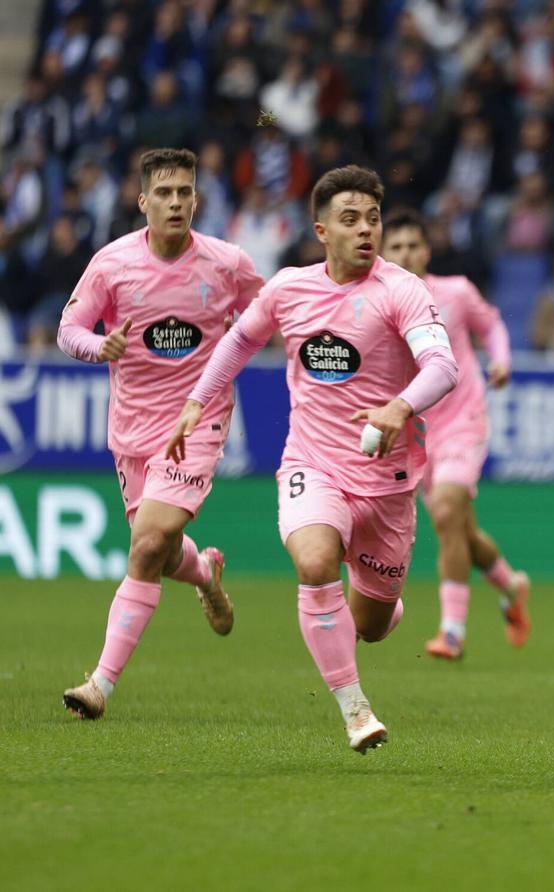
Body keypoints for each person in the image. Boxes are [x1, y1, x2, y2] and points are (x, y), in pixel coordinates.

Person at [166, 166, 458, 751]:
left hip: (388, 483)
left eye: (373, 218)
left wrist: (399, 408)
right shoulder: (288, 288)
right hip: (314, 463)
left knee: (371, 627)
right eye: (350, 220)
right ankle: (356, 712)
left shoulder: (402, 289)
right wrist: (198, 401)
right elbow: (239, 341)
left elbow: (442, 367)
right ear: (321, 229)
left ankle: (382, 606)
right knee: (315, 560)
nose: (366, 230)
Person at [58, 148, 264, 721]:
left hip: (196, 422)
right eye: (165, 193)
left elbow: (273, 312)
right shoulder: (111, 264)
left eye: (186, 192)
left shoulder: (228, 264)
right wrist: (101, 347)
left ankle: (98, 684)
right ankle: (205, 575)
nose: (176, 202)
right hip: (132, 430)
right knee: (163, 550)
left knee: (147, 544)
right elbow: (68, 329)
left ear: (197, 199)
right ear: (142, 200)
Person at [381, 210, 531, 660]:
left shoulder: (456, 292)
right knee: (460, 531)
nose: (405, 253)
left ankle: (451, 631)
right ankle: (511, 585)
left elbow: (491, 325)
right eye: (397, 246)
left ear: (427, 250)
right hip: (417, 433)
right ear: (384, 254)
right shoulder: (377, 302)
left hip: (463, 421)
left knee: (446, 510)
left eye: (413, 245)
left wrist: (500, 359)